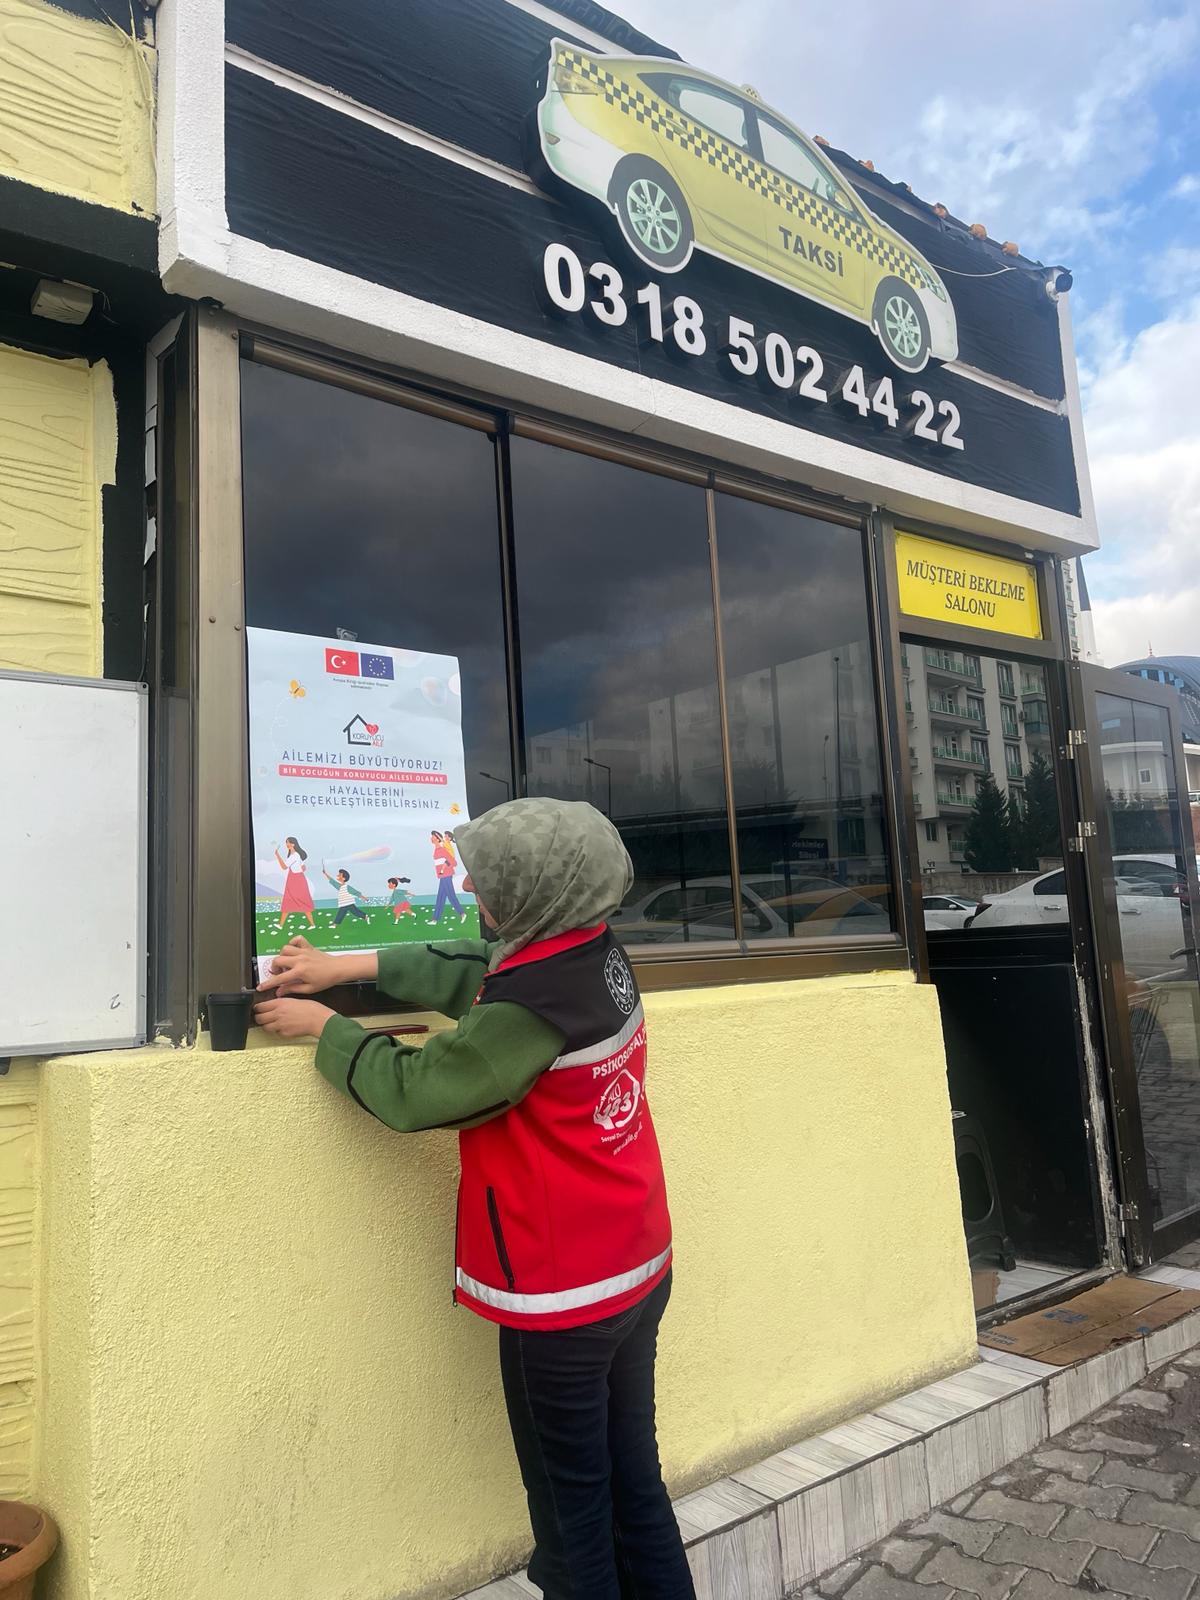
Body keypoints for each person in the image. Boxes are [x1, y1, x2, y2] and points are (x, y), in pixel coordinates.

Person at [256, 799, 694, 1600]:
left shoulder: (527, 1010)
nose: (471, 894)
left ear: (532, 894)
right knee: (636, 1487)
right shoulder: (592, 948)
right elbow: (482, 967)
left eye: (485, 883)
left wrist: (324, 1026)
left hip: (565, 1298)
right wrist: (347, 968)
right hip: (635, 1265)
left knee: (574, 1527)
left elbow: (421, 1091)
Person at [273, 837, 316, 932]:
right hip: (295, 879)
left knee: (300, 901)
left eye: (289, 843)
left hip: (296, 880)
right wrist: (300, 869)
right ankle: (281, 925)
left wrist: (277, 855)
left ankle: (312, 924)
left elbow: (284, 867)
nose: (287, 844)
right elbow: (303, 867)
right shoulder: (294, 855)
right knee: (290, 901)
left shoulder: (294, 855)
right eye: (286, 843)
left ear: (293, 844)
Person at [430, 828, 465, 923]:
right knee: (440, 897)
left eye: (433, 837)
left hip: (446, 875)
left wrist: (445, 867)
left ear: (437, 838)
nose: (431, 838)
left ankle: (462, 913)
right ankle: (435, 919)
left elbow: (454, 862)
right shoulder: (436, 850)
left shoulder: (442, 849)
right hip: (442, 876)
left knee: (450, 895)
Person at [322, 864, 368, 933]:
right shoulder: (339, 886)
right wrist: (325, 874)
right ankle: (334, 924)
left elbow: (355, 892)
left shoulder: (347, 887)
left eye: (339, 875)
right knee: (341, 914)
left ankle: (365, 916)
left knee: (355, 912)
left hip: (348, 903)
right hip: (343, 904)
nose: (337, 875)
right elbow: (332, 881)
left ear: (343, 878)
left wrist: (364, 897)